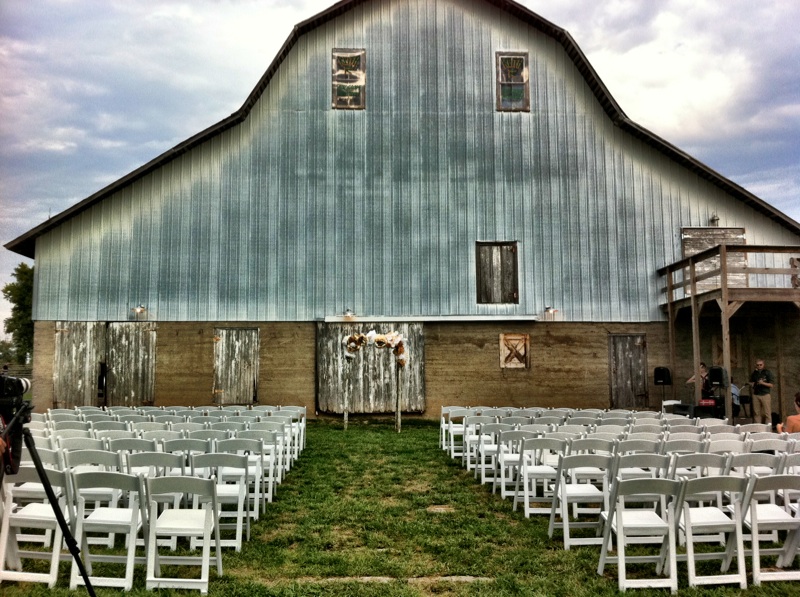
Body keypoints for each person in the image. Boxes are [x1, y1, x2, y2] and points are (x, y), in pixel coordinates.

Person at [749, 359, 775, 425]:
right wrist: (752, 384)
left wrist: (762, 383)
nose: (759, 366)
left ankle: (768, 429)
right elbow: (751, 382)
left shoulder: (767, 372)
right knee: (756, 413)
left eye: (761, 365)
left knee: (767, 413)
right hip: (756, 394)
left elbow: (771, 385)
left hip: (765, 394)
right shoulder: (754, 373)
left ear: (763, 365)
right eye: (758, 365)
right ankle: (758, 429)